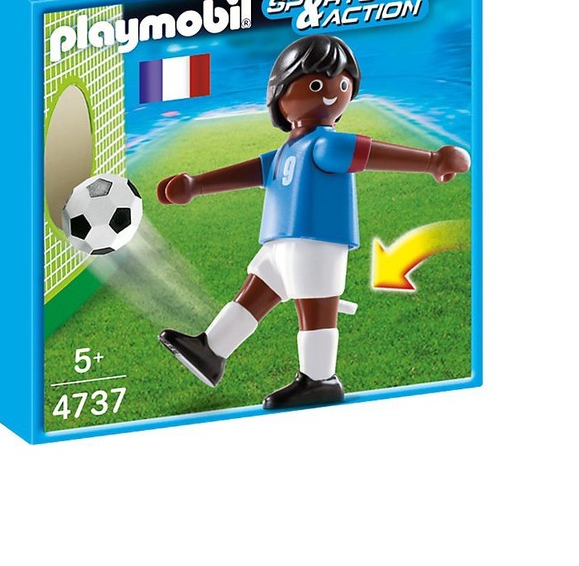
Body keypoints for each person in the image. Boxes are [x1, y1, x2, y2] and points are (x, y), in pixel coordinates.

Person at [157, 34, 470, 409]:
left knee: (315, 307)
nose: (332, 94)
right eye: (318, 85)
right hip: (280, 242)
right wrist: (196, 185)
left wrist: (433, 161)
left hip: (318, 240)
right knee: (253, 294)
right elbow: (249, 172)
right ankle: (211, 350)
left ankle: (319, 379)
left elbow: (374, 154)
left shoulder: (327, 144)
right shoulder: (287, 150)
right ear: (280, 95)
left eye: (342, 85)